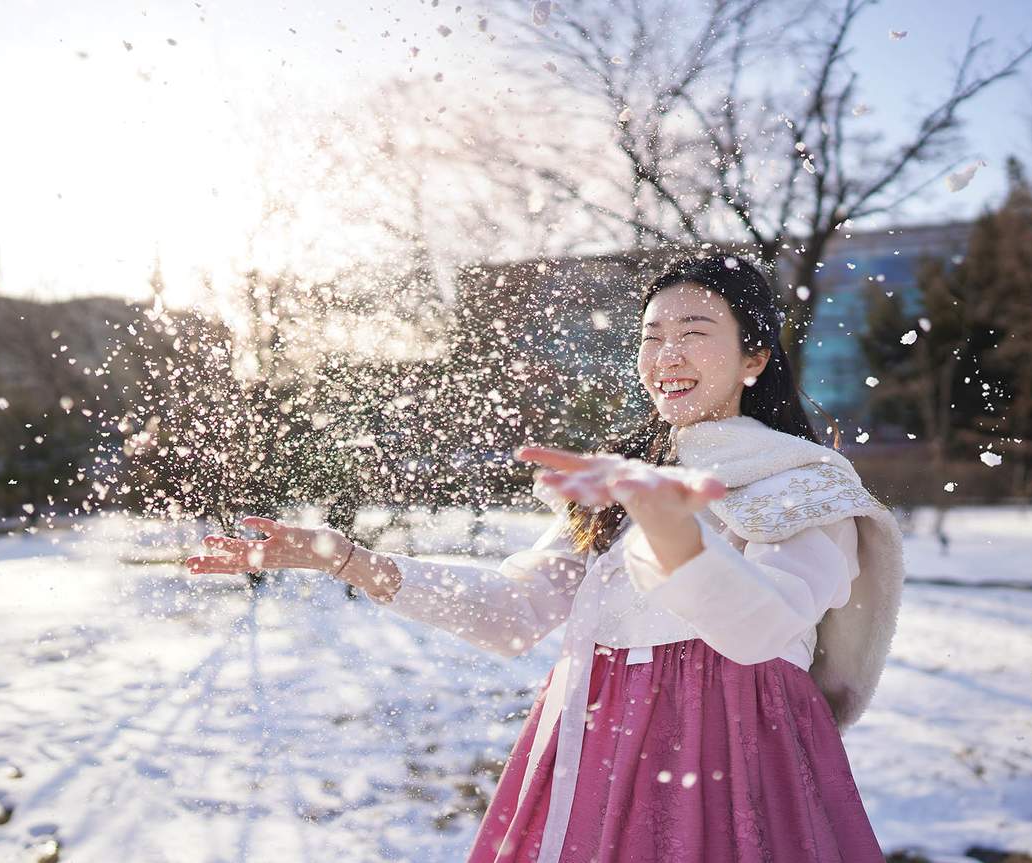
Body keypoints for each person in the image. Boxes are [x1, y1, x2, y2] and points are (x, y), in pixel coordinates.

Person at [187, 254, 905, 862]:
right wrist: (349, 559)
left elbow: (760, 628)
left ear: (754, 356)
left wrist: (668, 527)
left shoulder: (803, 482)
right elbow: (512, 609)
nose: (667, 355)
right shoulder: (624, 481)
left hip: (735, 752)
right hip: (598, 740)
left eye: (694, 332)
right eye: (651, 336)